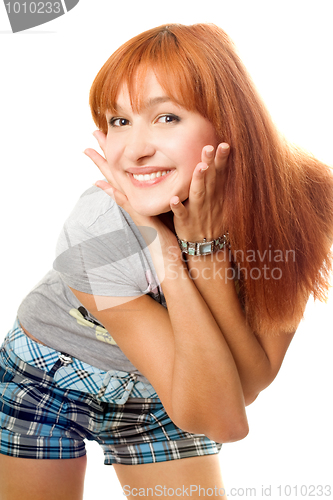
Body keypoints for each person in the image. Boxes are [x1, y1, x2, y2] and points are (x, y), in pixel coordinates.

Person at [0, 23, 332, 500]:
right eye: (119, 122)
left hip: (174, 387)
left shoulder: (301, 203)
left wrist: (207, 251)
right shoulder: (98, 228)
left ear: (229, 122)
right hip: (44, 376)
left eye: (167, 118)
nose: (135, 150)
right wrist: (165, 246)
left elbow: (242, 394)